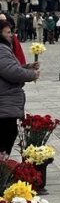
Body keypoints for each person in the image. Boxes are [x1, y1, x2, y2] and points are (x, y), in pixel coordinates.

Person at [0, 20, 39, 155]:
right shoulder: (1, 48)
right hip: (4, 102)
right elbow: (11, 72)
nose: (11, 35)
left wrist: (26, 67)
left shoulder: (4, 48)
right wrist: (31, 74)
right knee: (6, 139)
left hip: (6, 102)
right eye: (8, 32)